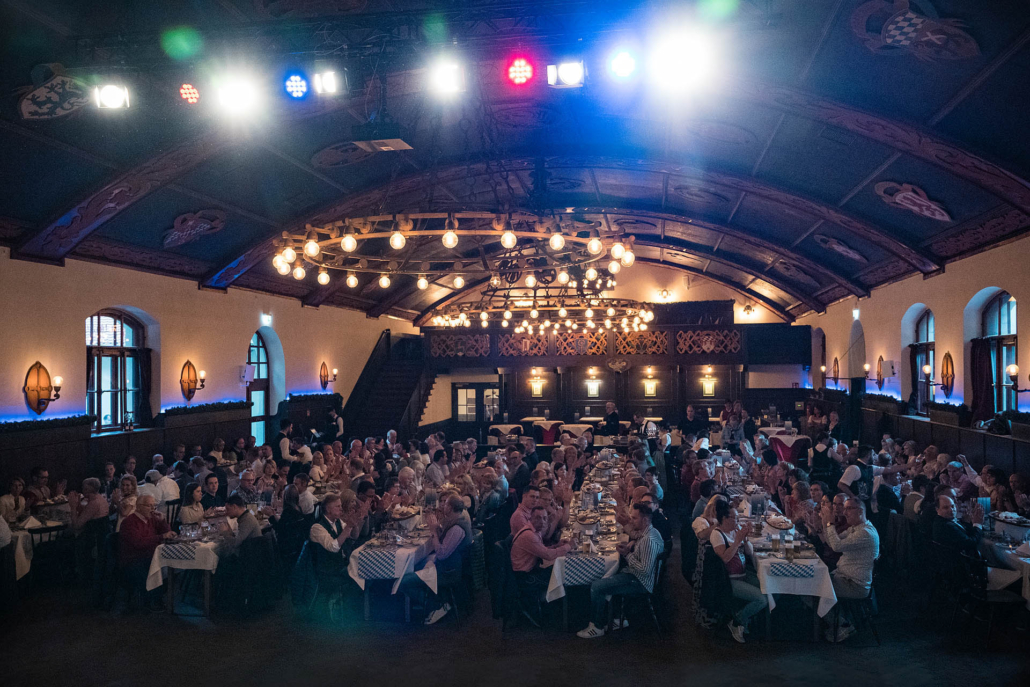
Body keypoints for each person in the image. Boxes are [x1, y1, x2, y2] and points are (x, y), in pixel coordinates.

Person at [577, 503, 664, 638]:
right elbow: (637, 539)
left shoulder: (648, 540)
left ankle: (597, 626)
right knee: (609, 573)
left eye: (634, 518)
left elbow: (645, 570)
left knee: (597, 586)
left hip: (641, 582)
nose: (631, 521)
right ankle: (617, 619)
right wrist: (632, 545)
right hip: (637, 576)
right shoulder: (650, 531)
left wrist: (627, 555)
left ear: (645, 520)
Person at [400, 494, 471, 625]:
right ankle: (434, 598)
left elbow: (442, 554)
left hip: (447, 571)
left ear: (450, 508)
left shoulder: (457, 528)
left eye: (445, 504)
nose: (442, 506)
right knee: (416, 564)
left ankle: (436, 604)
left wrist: (433, 531)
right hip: (449, 566)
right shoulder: (456, 520)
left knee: (402, 581)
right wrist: (437, 527)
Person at [821, 498, 879, 642]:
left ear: (860, 511)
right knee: (812, 583)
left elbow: (836, 547)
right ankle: (839, 620)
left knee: (812, 588)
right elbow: (832, 542)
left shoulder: (865, 533)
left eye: (848, 509)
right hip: (844, 577)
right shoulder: (856, 528)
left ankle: (844, 624)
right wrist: (825, 521)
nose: (844, 513)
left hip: (854, 585)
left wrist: (830, 523)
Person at [707, 499, 765, 643]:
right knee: (761, 599)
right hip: (728, 580)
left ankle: (745, 618)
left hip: (743, 574)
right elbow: (725, 558)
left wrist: (745, 539)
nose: (737, 521)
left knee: (770, 589)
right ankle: (736, 621)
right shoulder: (717, 534)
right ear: (725, 519)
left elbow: (750, 553)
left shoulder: (735, 530)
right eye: (735, 518)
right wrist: (738, 540)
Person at [118, 494, 175, 603]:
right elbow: (138, 543)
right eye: (149, 506)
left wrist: (163, 521)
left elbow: (165, 532)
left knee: (171, 567)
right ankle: (150, 600)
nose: (153, 509)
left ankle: (157, 597)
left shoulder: (151, 519)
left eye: (154, 506)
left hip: (150, 556)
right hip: (133, 560)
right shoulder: (129, 522)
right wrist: (161, 537)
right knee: (154, 569)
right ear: (139, 507)